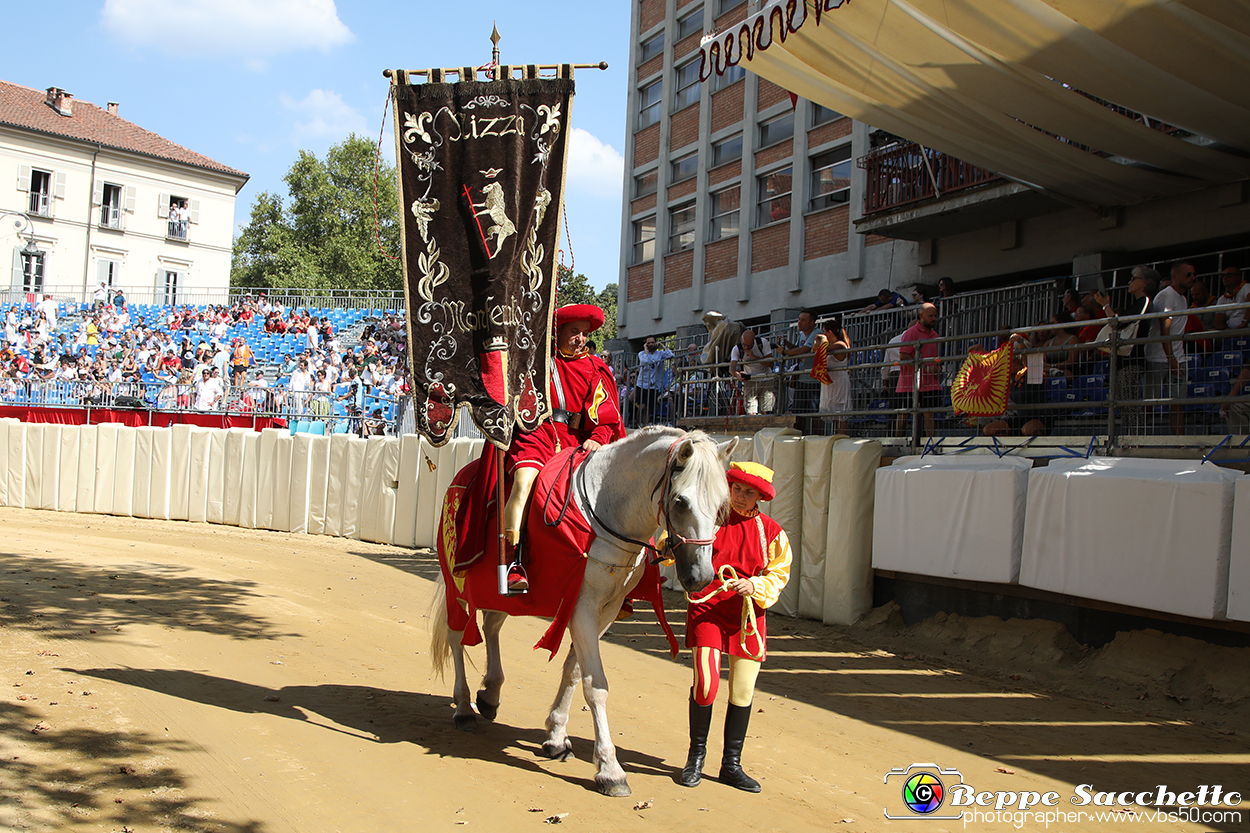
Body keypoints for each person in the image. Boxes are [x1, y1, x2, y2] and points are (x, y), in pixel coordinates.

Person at [678, 462, 791, 793]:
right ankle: (694, 759)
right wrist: (668, 550)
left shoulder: (771, 532)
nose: (740, 497)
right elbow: (676, 545)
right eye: (736, 489)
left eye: (749, 492)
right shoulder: (707, 517)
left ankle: (731, 765)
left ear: (760, 497)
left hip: (746, 616)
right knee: (706, 684)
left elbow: (779, 573)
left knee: (742, 692)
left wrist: (755, 585)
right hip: (708, 607)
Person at [501, 304, 623, 592]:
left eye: (584, 333)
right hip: (536, 434)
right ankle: (514, 561)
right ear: (559, 333)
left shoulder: (597, 369)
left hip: (577, 443)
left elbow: (606, 416)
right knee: (524, 483)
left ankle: (616, 574)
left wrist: (598, 438)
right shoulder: (536, 362)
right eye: (574, 331)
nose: (580, 338)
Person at [1093, 266, 1158, 436]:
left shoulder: (1144, 301)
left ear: (1145, 283)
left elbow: (1119, 323)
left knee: (1130, 403)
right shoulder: (1137, 303)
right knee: (1123, 403)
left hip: (1132, 358)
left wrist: (1105, 305)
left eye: (1134, 278)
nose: (1130, 282)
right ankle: (1128, 438)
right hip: (1123, 360)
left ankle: (1134, 440)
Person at [1144, 261, 1195, 434]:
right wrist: (1170, 358)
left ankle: (1179, 443)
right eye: (1187, 274)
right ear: (1175, 276)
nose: (1192, 278)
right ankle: (1139, 441)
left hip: (1178, 358)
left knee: (1177, 402)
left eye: (1193, 274)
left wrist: (1176, 359)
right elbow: (1164, 329)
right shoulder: (1166, 296)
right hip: (1158, 358)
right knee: (1150, 402)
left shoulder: (1183, 298)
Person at [895, 303, 942, 437]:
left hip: (930, 383)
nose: (934, 318)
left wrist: (937, 367)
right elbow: (904, 355)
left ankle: (929, 442)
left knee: (929, 414)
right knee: (904, 413)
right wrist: (924, 367)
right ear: (921, 316)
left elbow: (935, 358)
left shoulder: (935, 335)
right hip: (910, 383)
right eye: (930, 316)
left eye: (935, 316)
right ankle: (898, 440)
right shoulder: (911, 333)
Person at [778, 309, 820, 413]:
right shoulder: (801, 334)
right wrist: (787, 344)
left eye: (803, 320)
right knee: (798, 411)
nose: (799, 323)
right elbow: (797, 349)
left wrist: (784, 352)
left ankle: (814, 429)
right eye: (799, 319)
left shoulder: (817, 333)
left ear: (812, 323)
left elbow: (804, 349)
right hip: (802, 378)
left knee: (814, 412)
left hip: (814, 379)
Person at [815, 317, 852, 432]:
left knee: (840, 414)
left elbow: (821, 349)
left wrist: (821, 340)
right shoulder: (832, 345)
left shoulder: (840, 344)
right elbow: (815, 349)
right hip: (830, 382)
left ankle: (842, 439)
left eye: (825, 332)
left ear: (829, 332)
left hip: (839, 381)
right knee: (834, 413)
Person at [728, 329, 775, 416]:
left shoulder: (763, 343)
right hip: (750, 380)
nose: (746, 347)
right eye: (744, 345)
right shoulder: (737, 349)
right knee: (751, 411)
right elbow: (732, 368)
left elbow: (771, 363)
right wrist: (737, 375)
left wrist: (755, 357)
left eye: (748, 346)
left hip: (766, 378)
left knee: (767, 410)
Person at [634, 336, 674, 426]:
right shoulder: (642, 353)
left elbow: (671, 355)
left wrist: (663, 346)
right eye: (648, 343)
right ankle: (637, 423)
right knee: (642, 406)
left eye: (652, 342)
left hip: (654, 385)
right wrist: (645, 349)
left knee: (649, 407)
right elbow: (645, 361)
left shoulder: (660, 354)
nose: (651, 344)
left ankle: (646, 424)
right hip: (642, 384)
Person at [1214, 265, 1250, 337]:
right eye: (1223, 276)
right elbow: (1218, 322)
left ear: (1239, 277)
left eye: (1229, 275)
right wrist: (1229, 331)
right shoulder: (1223, 298)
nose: (1225, 278)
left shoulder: (1246, 287)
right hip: (1231, 332)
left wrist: (1244, 323)